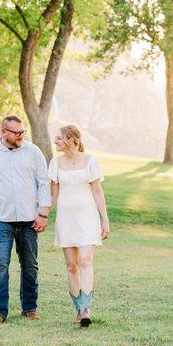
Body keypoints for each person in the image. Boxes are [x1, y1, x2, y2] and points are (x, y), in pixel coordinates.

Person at [0, 116, 51, 325]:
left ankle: (30, 308)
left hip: (29, 220)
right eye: (17, 133)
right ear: (4, 132)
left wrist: (43, 213)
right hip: (1, 220)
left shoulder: (33, 151)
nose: (21, 136)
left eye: (22, 132)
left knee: (30, 265)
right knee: (0, 264)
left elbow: (44, 183)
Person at [48, 125, 110, 327]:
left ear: (71, 139)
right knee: (71, 265)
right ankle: (77, 308)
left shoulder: (90, 161)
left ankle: (86, 309)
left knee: (85, 261)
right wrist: (42, 215)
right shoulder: (55, 163)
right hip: (66, 219)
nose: (55, 141)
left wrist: (105, 220)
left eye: (59, 138)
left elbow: (98, 192)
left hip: (87, 219)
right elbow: (53, 196)